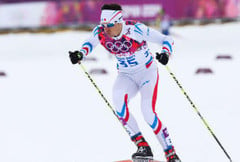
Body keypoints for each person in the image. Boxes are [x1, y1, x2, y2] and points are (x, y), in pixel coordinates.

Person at [69, 3, 181, 162]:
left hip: (147, 73)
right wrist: (80, 54)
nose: (105, 29)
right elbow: (89, 43)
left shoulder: (136, 30)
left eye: (109, 25)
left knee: (147, 112)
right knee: (118, 102)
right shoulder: (100, 32)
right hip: (126, 75)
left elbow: (166, 39)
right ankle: (142, 146)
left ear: (119, 21)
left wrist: (165, 53)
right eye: (103, 25)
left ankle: (170, 153)